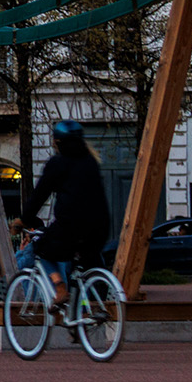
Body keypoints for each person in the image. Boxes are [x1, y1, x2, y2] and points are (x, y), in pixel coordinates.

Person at [17, 120, 112, 310]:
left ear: (58, 142)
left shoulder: (58, 163)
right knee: (86, 266)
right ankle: (83, 318)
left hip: (71, 225)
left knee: (41, 249)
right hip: (100, 228)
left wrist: (24, 219)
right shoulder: (91, 161)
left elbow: (39, 195)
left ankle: (60, 288)